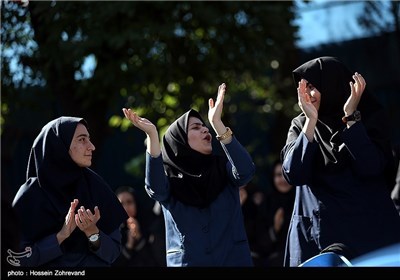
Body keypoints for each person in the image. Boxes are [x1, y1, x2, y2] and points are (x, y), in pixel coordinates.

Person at [280, 56, 400, 267]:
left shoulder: (368, 115)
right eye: (303, 87)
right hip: (319, 240)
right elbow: (294, 174)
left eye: (313, 86)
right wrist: (310, 122)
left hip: (370, 233)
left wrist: (351, 118)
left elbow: (371, 167)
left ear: (332, 84)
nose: (307, 94)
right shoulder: (301, 124)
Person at [122, 82, 256, 267]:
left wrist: (218, 124)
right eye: (195, 127)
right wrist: (153, 136)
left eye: (204, 126)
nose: (204, 129)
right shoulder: (170, 180)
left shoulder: (222, 168)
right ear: (179, 142)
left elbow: (246, 172)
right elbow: (155, 189)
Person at [12, 116, 128, 267]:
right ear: (59, 146)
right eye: (82, 139)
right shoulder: (31, 195)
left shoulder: (96, 187)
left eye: (89, 138)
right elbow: (14, 259)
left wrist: (92, 232)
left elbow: (113, 252)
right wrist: (61, 236)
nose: (91, 146)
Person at [254, 160, 295, 267]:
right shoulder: (266, 205)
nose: (283, 179)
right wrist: (275, 228)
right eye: (278, 175)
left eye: (286, 174)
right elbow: (258, 244)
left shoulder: (302, 202)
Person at [113, 186, 159, 267]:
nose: (126, 207)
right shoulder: (113, 230)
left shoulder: (150, 225)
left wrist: (139, 237)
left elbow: (155, 261)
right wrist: (129, 246)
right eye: (121, 204)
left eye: (129, 202)